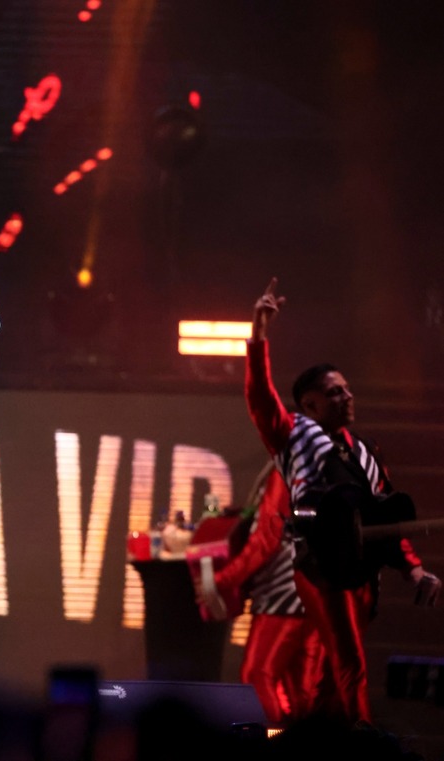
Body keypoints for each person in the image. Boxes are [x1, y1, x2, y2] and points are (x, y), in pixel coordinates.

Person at [244, 277, 441, 726]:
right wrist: (258, 333)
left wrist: (414, 570)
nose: (347, 396)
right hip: (322, 569)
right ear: (309, 405)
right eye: (334, 392)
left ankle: (321, 743)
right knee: (351, 664)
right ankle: (364, 747)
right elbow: (259, 398)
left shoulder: (365, 451)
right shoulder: (293, 434)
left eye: (347, 389)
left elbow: (387, 518)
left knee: (332, 681)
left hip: (361, 571)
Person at [196, 464, 325, 727]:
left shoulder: (287, 470)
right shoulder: (313, 466)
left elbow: (266, 539)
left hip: (283, 593)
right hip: (311, 589)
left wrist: (221, 580)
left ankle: (273, 742)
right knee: (300, 690)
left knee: (257, 676)